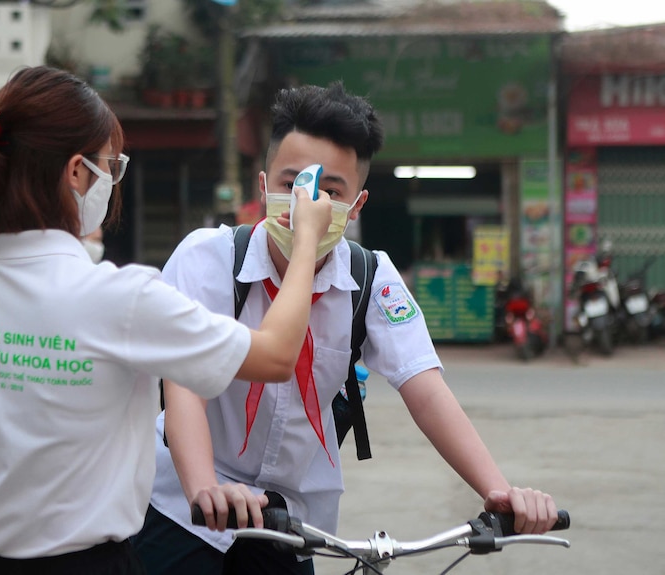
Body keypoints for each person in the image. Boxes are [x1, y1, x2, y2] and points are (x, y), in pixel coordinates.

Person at [0, 66, 333, 575]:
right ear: (77, 172)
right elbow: (276, 355)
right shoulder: (122, 299)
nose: (112, 179)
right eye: (112, 165)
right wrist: (305, 244)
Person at [133, 82, 559, 575]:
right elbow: (183, 384)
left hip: (290, 524)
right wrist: (204, 487)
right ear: (263, 187)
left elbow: (425, 389)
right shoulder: (207, 256)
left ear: (356, 206)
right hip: (184, 509)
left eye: (330, 191)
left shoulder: (370, 277)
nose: (307, 203)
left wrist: (497, 491)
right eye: (293, 183)